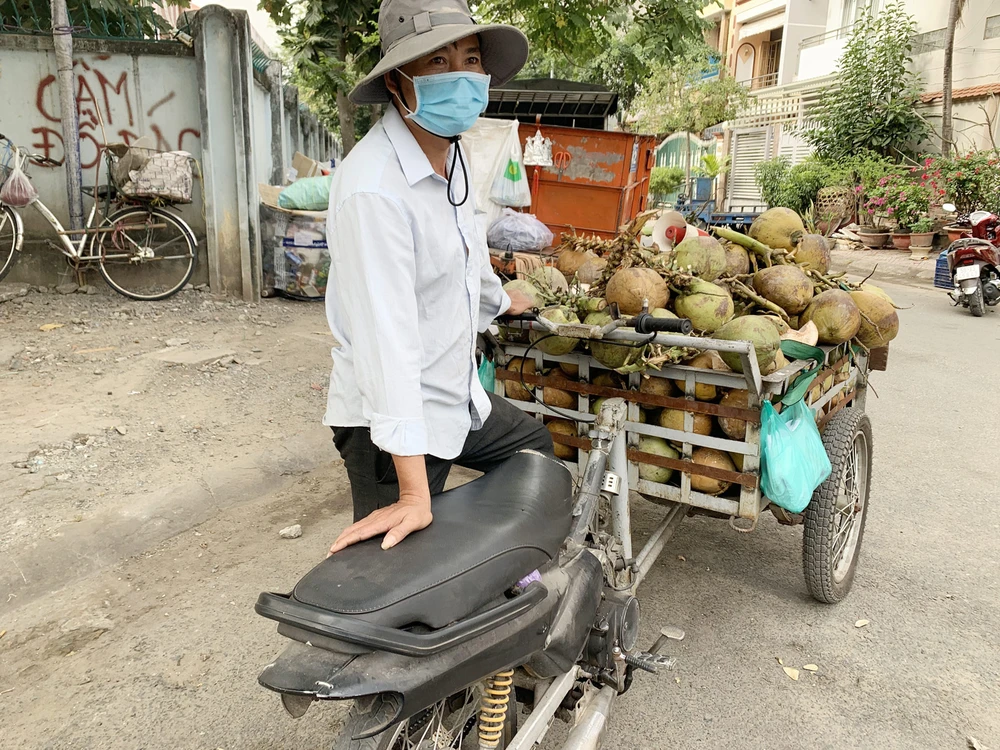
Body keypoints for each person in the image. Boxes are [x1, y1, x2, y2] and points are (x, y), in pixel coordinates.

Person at [323, 0, 553, 556]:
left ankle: (480, 577)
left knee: (532, 452)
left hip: (452, 394)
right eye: (437, 61)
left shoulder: (452, 160)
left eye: (471, 59)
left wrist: (502, 301)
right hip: (390, 420)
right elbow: (387, 342)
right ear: (398, 82)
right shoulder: (373, 189)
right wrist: (410, 491)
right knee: (395, 567)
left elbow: (465, 259)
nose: (461, 75)